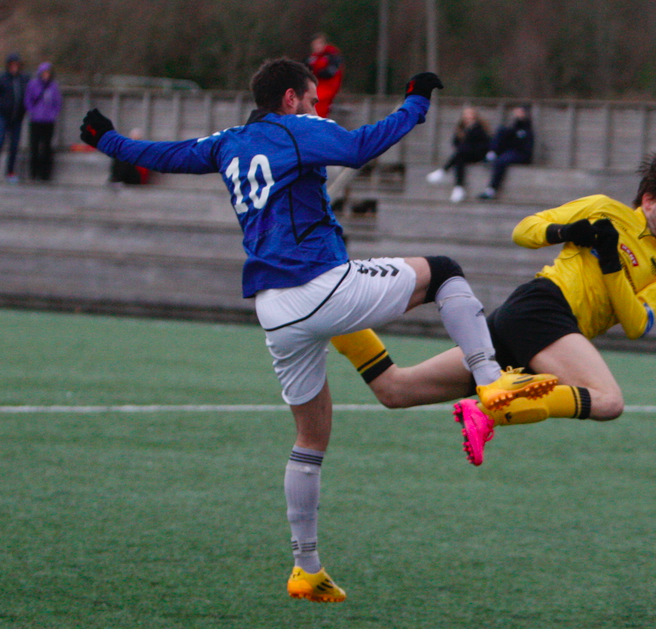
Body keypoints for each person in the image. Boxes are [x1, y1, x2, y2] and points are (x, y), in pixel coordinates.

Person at [79, 58, 557, 604]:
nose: (315, 108)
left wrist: (108, 139)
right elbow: (359, 147)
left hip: (273, 310)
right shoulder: (297, 129)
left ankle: (305, 568)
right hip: (318, 285)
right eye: (310, 100)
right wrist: (416, 101)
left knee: (311, 438)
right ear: (290, 99)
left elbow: (164, 154)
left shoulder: (227, 142)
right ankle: (491, 382)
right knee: (444, 271)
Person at [333, 153, 656, 462]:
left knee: (396, 390)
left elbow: (636, 325)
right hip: (542, 308)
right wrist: (564, 233)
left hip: (541, 336)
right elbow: (524, 230)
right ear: (648, 199)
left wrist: (612, 264)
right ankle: (490, 410)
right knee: (608, 401)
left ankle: (332, 316)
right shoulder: (604, 210)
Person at [426, 106, 491, 202]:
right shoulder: (460, 128)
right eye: (466, 114)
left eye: (470, 114)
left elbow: (483, 144)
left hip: (478, 154)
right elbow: (455, 143)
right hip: (464, 155)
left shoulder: (479, 128)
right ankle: (459, 188)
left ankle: (444, 171)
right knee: (459, 159)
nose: (468, 116)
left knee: (460, 153)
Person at [478, 106, 534, 200]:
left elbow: (523, 145)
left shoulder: (527, 128)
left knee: (501, 161)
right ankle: (491, 154)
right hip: (510, 152)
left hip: (521, 154)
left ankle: (491, 190)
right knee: (501, 131)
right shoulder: (514, 126)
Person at [24, 61, 61, 181]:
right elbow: (28, 99)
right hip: (36, 120)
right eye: (44, 73)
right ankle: (34, 173)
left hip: (49, 121)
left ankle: (45, 174)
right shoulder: (33, 84)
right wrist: (32, 111)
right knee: (34, 146)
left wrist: (53, 114)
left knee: (47, 147)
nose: (46, 75)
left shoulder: (53, 86)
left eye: (48, 73)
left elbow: (57, 102)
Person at [0, 53, 29, 182]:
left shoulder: (24, 79)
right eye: (12, 65)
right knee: (0, 141)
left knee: (14, 146)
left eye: (16, 65)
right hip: (3, 116)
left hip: (17, 117)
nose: (14, 67)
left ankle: (10, 171)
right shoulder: (3, 79)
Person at [305, 33, 343, 117]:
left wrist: (316, 72)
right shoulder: (312, 58)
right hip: (316, 86)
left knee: (317, 101)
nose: (317, 46)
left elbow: (329, 73)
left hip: (328, 86)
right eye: (315, 44)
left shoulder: (332, 55)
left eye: (319, 43)